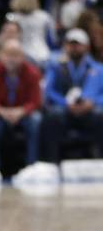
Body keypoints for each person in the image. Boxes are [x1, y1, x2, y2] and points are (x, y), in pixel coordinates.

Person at [0, 39, 45, 176]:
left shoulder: (32, 73)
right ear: (2, 56)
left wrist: (20, 112)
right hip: (1, 112)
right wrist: (3, 112)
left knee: (36, 120)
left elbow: (36, 101)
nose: (12, 59)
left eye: (16, 55)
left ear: (22, 56)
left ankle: (31, 168)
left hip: (23, 112)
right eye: (8, 54)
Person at [41, 28, 103, 164]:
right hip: (65, 110)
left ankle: (100, 159)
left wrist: (93, 102)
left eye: (77, 44)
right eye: (71, 44)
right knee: (53, 114)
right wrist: (65, 103)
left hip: (90, 111)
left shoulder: (98, 68)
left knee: (100, 114)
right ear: (65, 46)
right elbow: (48, 91)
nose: (74, 47)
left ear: (86, 46)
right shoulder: (55, 66)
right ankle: (52, 162)